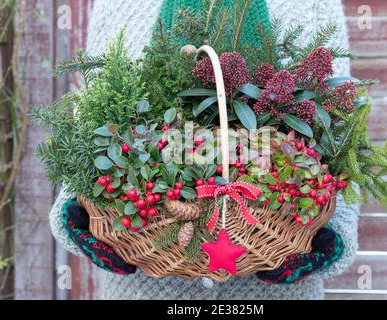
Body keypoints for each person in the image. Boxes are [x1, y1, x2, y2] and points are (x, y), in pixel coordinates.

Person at [50, 0, 359, 300]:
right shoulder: (119, 5)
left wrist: (335, 236)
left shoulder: (313, 5)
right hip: (147, 288)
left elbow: (342, 134)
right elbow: (90, 115)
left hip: (274, 290)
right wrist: (74, 210)